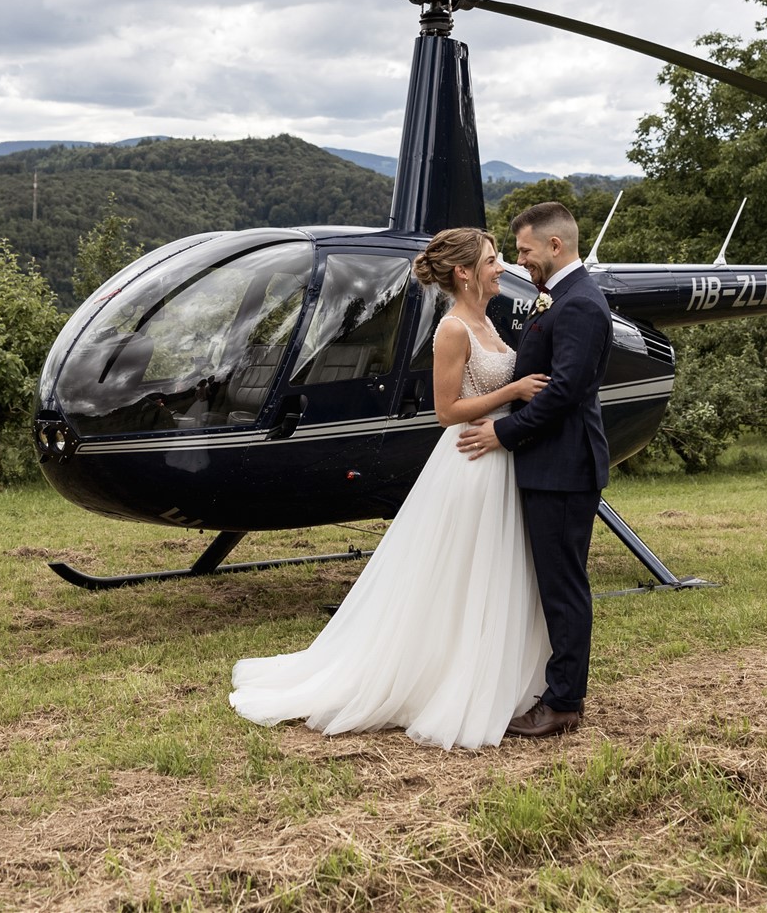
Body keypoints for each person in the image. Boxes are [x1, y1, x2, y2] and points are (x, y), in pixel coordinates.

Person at [229, 226, 552, 750]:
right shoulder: (452, 330)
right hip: (470, 461)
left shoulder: (487, 320)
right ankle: (445, 679)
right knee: (462, 576)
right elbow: (446, 411)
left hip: (499, 456)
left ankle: (495, 671)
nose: (501, 269)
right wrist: (515, 390)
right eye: (493, 261)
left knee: (493, 572)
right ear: (463, 272)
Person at [456, 202, 611, 739]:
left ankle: (565, 702)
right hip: (548, 465)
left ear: (554, 246)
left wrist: (501, 433)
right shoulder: (562, 298)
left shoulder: (582, 305)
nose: (519, 263)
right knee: (551, 584)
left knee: (564, 587)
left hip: (565, 467)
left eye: (523, 251)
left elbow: (565, 391)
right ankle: (552, 688)